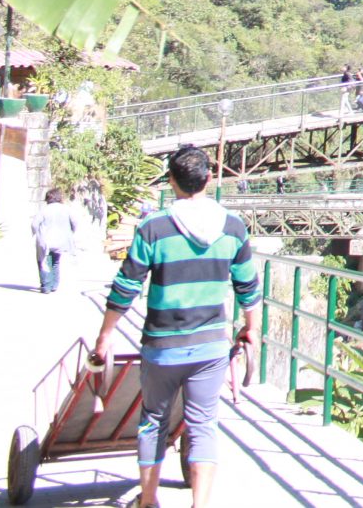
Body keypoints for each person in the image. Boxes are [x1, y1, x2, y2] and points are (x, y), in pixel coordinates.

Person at [94, 146, 260, 508]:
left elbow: (126, 286)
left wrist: (104, 338)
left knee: (153, 419)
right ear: (209, 180)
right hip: (211, 345)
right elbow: (248, 285)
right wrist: (252, 330)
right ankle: (199, 503)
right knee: (203, 424)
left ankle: (149, 500)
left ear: (171, 182)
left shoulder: (153, 227)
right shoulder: (232, 227)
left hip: (162, 346)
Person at [32, 187, 80, 294]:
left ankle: (46, 285)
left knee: (44, 260)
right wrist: (71, 232)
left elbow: (34, 224)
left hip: (45, 240)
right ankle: (54, 284)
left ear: (48, 198)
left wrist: (34, 233)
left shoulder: (44, 210)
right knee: (56, 261)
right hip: (61, 240)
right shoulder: (66, 209)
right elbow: (75, 222)